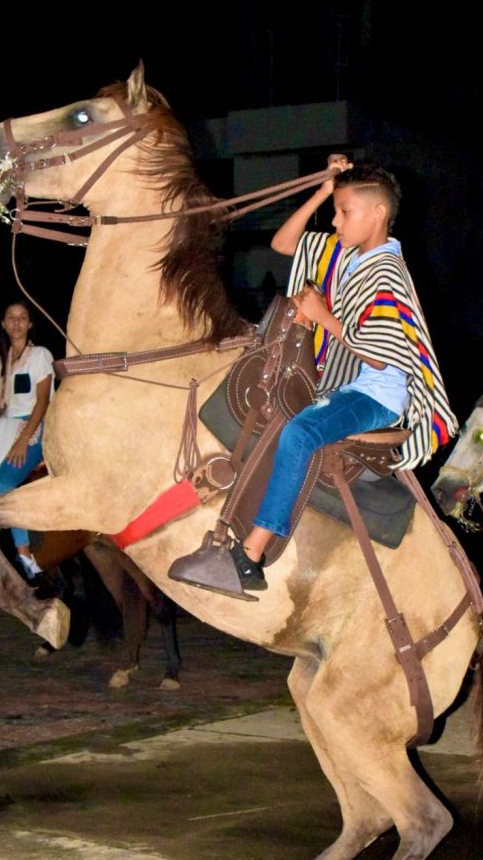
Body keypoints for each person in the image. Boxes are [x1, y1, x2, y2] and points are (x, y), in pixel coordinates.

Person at [191, 158, 457, 593]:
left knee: (300, 434)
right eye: (334, 211)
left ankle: (251, 554)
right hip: (344, 384)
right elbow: (284, 242)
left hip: (377, 393)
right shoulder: (348, 257)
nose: (335, 221)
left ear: (378, 214)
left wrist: (322, 316)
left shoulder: (387, 273)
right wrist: (321, 191)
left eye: (344, 211)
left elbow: (379, 357)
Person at [0, 301, 54, 581]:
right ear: (4, 324)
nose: (17, 323)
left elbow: (42, 401)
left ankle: (26, 557)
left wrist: (24, 439)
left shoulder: (40, 355)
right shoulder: (3, 364)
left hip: (33, 425)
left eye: (23, 318)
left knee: (4, 483)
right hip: (6, 427)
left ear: (30, 324)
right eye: (11, 318)